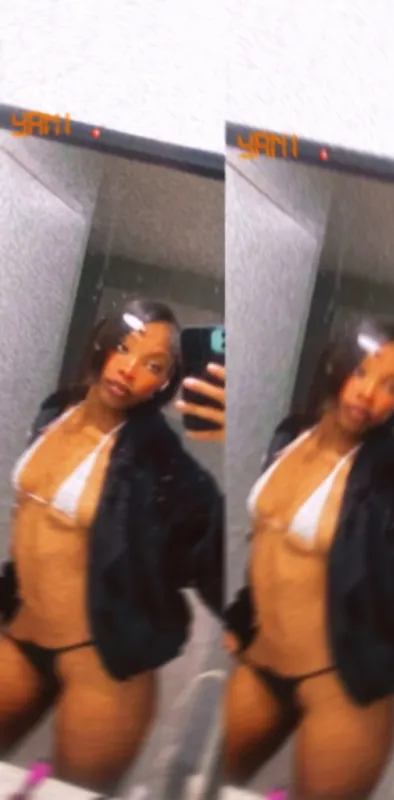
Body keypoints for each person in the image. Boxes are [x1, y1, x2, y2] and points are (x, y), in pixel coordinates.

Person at [0, 297, 224, 793]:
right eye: (123, 348)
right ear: (101, 344)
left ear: (166, 382)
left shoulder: (160, 460)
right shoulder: (57, 410)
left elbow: (218, 556)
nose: (129, 369)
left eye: (153, 366)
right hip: (21, 636)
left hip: (101, 664)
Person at [223, 318, 394, 800]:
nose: (369, 394)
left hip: (344, 692)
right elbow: (267, 537)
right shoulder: (290, 436)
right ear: (337, 366)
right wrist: (242, 615)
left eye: (392, 387)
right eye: (362, 372)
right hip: (262, 664)